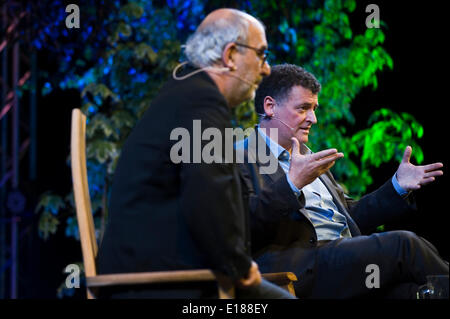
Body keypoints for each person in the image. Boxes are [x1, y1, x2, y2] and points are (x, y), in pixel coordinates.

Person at [97, 9, 294, 298]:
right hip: (156, 284)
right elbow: (208, 194)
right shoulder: (200, 102)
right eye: (262, 54)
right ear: (230, 55)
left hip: (153, 273)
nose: (266, 69)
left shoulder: (186, 93)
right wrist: (239, 266)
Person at [236, 63, 449, 298]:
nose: (313, 119)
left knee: (414, 293)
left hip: (344, 260)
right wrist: (291, 184)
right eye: (303, 108)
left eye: (314, 108)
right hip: (300, 269)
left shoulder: (309, 157)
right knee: (405, 245)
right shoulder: (239, 158)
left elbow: (351, 216)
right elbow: (240, 226)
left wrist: (397, 185)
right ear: (270, 106)